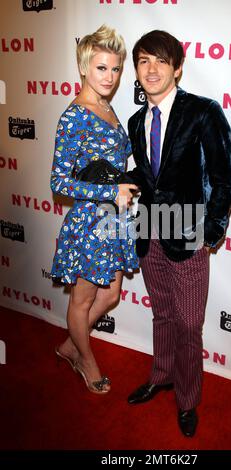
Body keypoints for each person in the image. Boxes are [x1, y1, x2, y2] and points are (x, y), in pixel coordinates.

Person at [126, 30, 231, 436]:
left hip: (188, 234)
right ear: (136, 70)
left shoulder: (203, 112)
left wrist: (210, 233)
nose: (152, 69)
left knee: (189, 325)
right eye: (143, 61)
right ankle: (162, 375)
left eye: (160, 60)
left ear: (177, 67)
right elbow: (151, 175)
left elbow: (224, 179)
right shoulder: (137, 120)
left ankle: (188, 399)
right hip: (149, 233)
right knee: (163, 314)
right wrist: (121, 180)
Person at [50, 25, 138, 394]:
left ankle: (72, 343)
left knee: (112, 295)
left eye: (116, 69)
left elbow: (113, 158)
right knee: (83, 299)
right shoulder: (75, 116)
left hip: (114, 218)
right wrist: (108, 189)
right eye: (102, 68)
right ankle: (85, 361)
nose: (110, 77)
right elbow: (58, 182)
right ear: (85, 67)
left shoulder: (106, 106)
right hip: (91, 222)